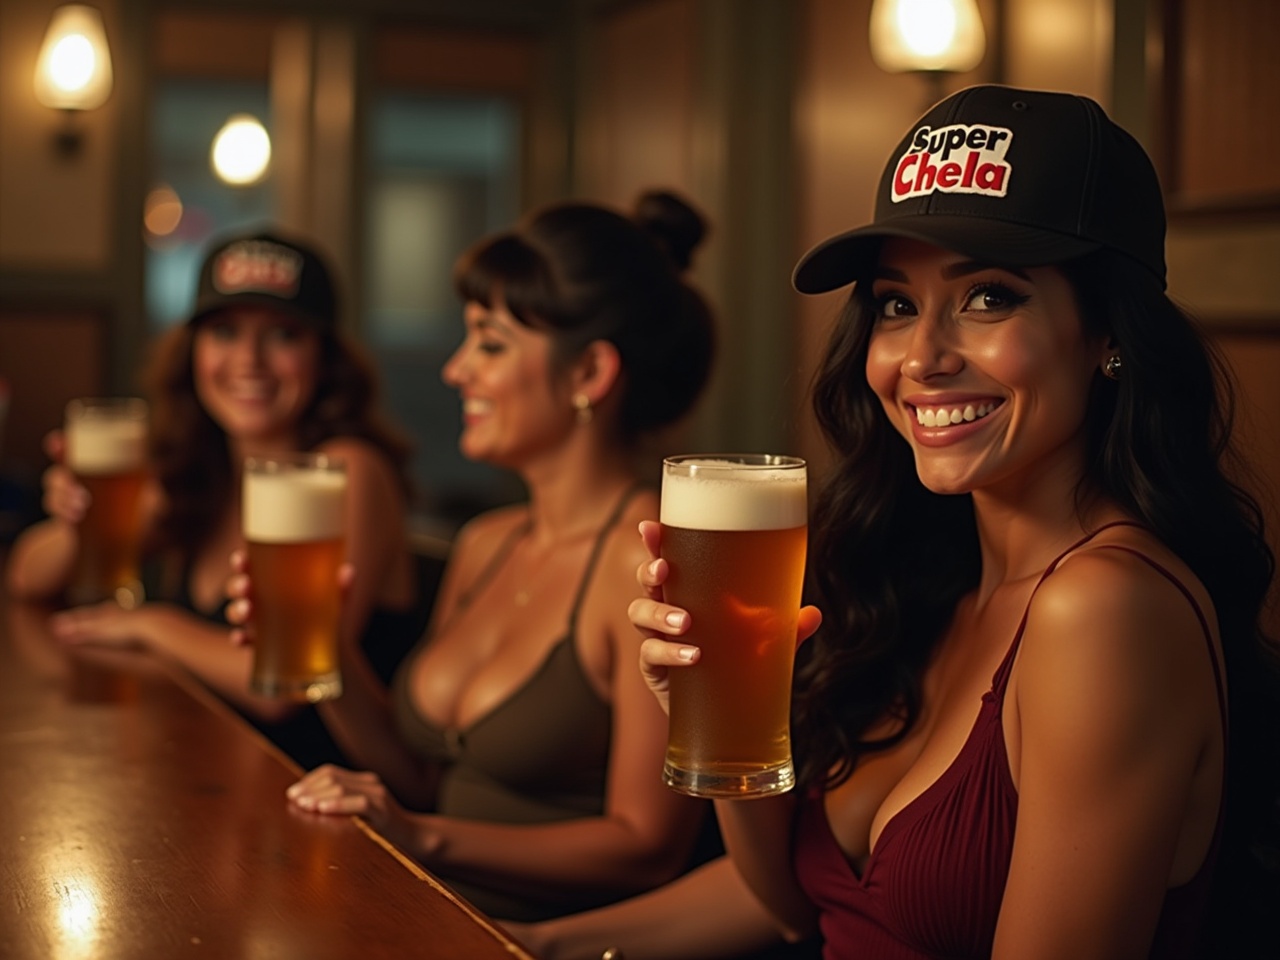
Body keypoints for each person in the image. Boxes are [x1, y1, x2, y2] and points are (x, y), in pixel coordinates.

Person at [622, 85, 1280, 959]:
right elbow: (794, 910)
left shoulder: (1105, 609)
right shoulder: (926, 578)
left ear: (1105, 336)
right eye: (896, 304)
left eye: (989, 297)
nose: (923, 357)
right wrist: (721, 715)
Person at [227, 190, 720, 922]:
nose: (457, 370)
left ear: (589, 374)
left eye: (489, 343)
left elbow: (647, 846)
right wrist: (323, 649)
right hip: (421, 916)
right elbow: (422, 780)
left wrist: (419, 837)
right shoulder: (487, 541)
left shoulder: (648, 560)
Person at [4, 230, 422, 770]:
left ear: (325, 357)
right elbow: (27, 579)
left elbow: (284, 686)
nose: (249, 359)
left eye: (283, 334)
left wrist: (152, 625)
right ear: (192, 352)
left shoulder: (343, 471)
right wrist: (77, 520)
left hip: (323, 808)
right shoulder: (203, 474)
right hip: (212, 779)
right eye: (224, 331)